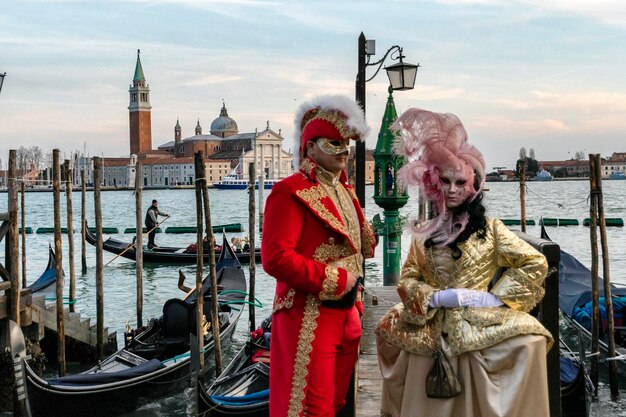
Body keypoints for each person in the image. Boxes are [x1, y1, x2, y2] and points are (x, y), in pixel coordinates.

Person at [375, 108, 553, 417]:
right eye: (445, 181)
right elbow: (406, 280)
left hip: (478, 318)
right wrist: (437, 297)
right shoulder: (423, 234)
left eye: (460, 182)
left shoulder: (492, 230)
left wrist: (495, 298)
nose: (453, 190)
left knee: (532, 341)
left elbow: (534, 262)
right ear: (435, 183)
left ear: (474, 186)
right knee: (389, 334)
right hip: (431, 318)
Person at [261, 95, 377, 417]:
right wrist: (336, 278)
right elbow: (275, 258)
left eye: (346, 145)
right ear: (310, 148)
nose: (342, 151)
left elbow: (360, 246)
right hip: (308, 315)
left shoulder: (345, 190)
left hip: (348, 314)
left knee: (338, 404)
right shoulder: (289, 191)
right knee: (312, 408)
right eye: (333, 143)